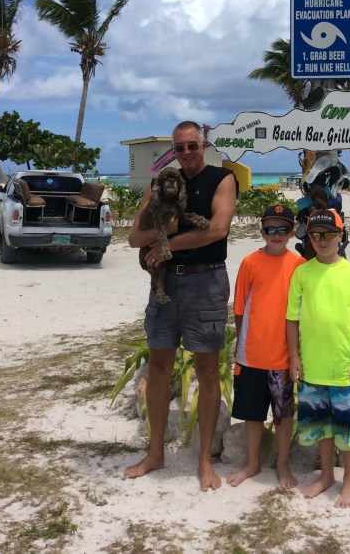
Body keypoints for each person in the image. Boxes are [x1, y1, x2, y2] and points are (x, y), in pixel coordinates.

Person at [125, 121, 237, 490]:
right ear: (173, 151)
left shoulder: (222, 178)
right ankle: (156, 452)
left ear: (202, 145)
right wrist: (168, 233)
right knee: (158, 366)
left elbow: (218, 229)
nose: (186, 153)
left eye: (192, 146)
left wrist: (167, 244)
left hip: (206, 281)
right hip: (166, 283)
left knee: (206, 369)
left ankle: (205, 460)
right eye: (179, 148)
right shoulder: (158, 185)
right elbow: (134, 237)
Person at [286, 209, 350, 509]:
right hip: (312, 368)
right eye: (316, 235)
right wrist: (294, 358)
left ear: (341, 234)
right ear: (309, 238)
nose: (322, 241)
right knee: (322, 427)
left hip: (343, 369)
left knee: (346, 430)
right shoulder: (302, 273)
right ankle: (326, 476)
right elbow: (292, 320)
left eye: (329, 234)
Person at [226, 204, 305, 489]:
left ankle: (282, 464)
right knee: (253, 414)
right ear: (262, 231)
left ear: (291, 232)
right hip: (251, 356)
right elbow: (239, 308)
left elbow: (300, 312)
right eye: (270, 229)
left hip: (283, 358)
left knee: (283, 416)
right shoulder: (249, 263)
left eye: (282, 229)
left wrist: (296, 356)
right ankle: (253, 463)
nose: (276, 234)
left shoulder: (299, 266)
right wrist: (243, 347)